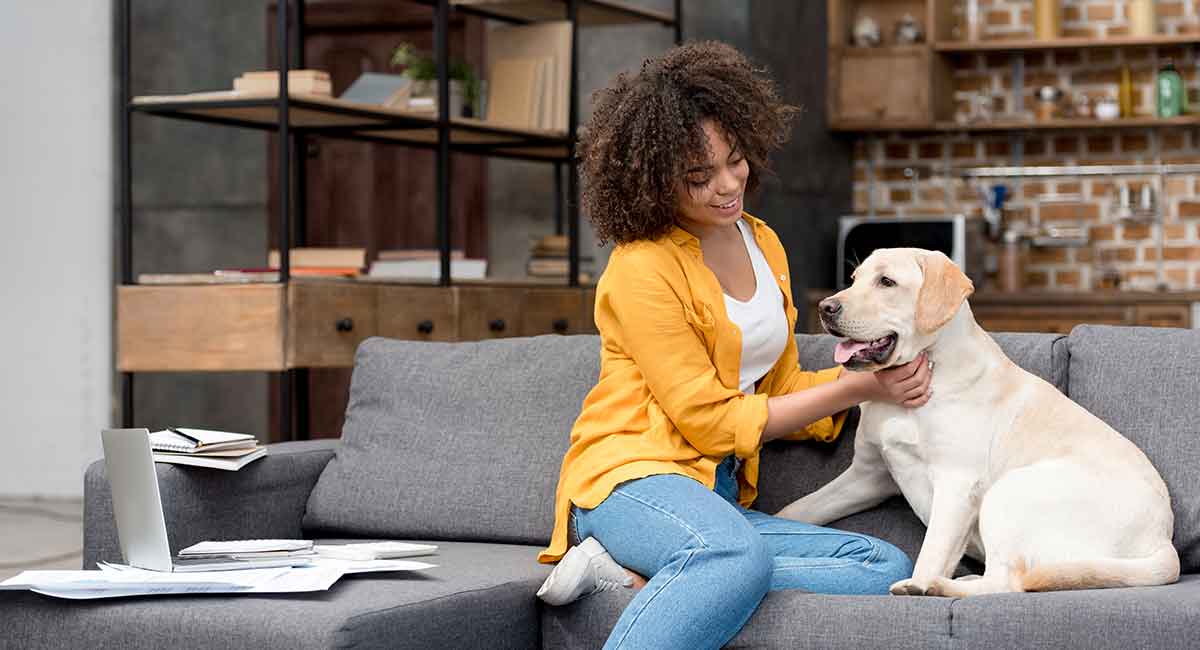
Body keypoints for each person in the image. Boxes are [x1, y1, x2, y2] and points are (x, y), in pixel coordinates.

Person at [536, 41, 930, 649]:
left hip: (713, 501)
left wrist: (879, 377)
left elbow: (782, 386)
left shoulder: (762, 242)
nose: (727, 186)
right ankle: (681, 565)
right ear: (651, 178)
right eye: (698, 176)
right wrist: (860, 386)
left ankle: (645, 575)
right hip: (633, 481)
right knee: (730, 553)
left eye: (735, 160)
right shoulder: (641, 269)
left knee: (885, 567)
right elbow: (711, 422)